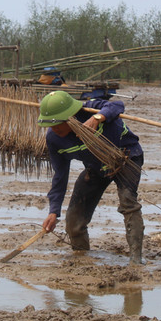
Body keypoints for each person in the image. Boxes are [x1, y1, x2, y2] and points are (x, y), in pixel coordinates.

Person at [37, 90, 145, 265]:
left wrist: (98, 118)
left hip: (126, 158)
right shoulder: (54, 140)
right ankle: (81, 257)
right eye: (50, 125)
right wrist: (53, 211)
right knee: (73, 218)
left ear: (70, 117)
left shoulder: (90, 110)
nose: (54, 129)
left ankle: (136, 259)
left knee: (128, 202)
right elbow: (60, 176)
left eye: (57, 124)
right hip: (96, 167)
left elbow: (117, 105)